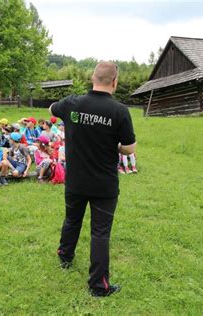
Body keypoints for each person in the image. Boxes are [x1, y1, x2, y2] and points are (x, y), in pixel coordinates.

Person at [50, 61, 136, 297]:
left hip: (76, 181)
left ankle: (65, 256)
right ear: (115, 82)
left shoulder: (71, 103)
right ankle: (98, 286)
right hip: (104, 185)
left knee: (72, 220)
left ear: (92, 78)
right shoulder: (119, 111)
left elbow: (51, 110)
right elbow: (129, 148)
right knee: (100, 233)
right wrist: (116, 145)